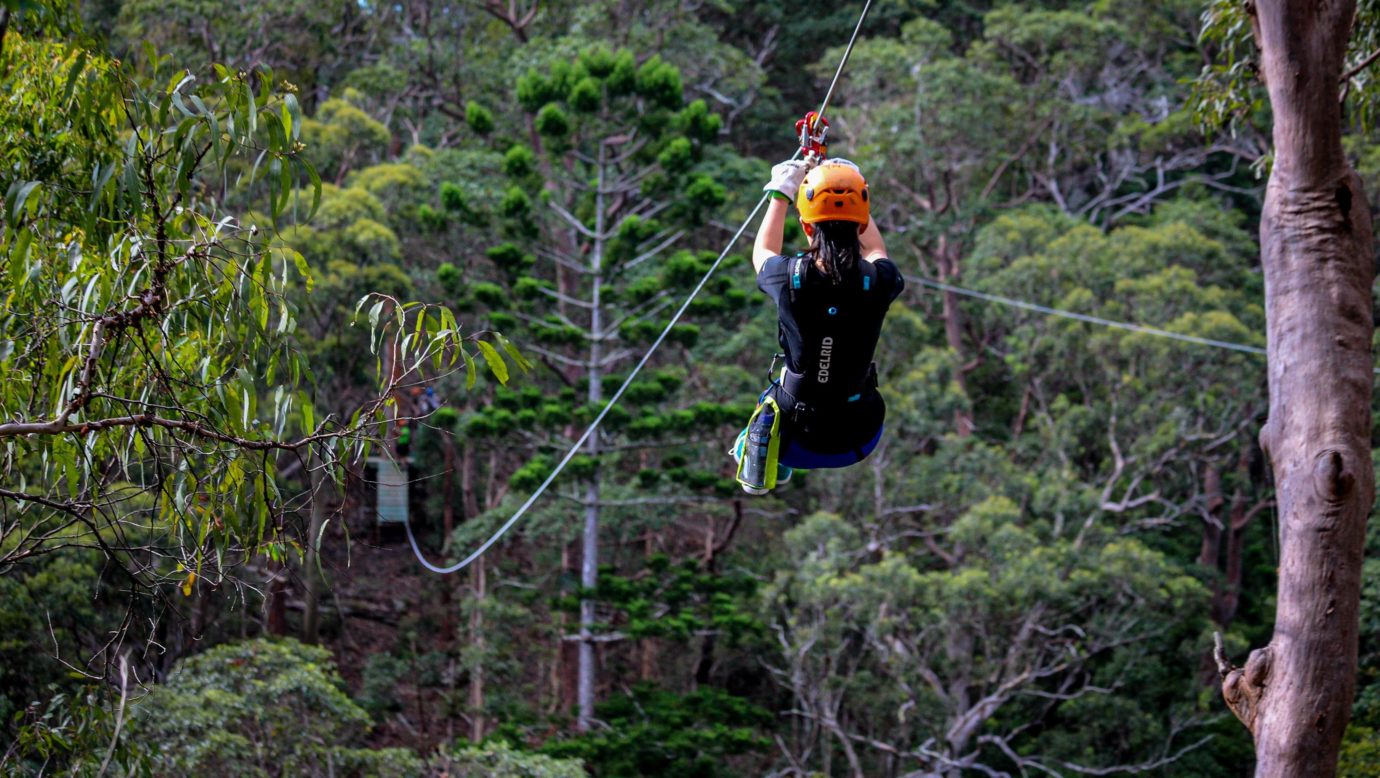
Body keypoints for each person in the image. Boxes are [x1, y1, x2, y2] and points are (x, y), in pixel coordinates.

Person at [732, 157, 904, 495]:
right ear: (862, 222)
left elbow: (762, 251)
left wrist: (780, 191)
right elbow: (876, 250)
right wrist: (852, 184)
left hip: (794, 441)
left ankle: (760, 459)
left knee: (777, 392)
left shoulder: (787, 276)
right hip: (858, 439)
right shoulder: (881, 280)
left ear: (807, 226)